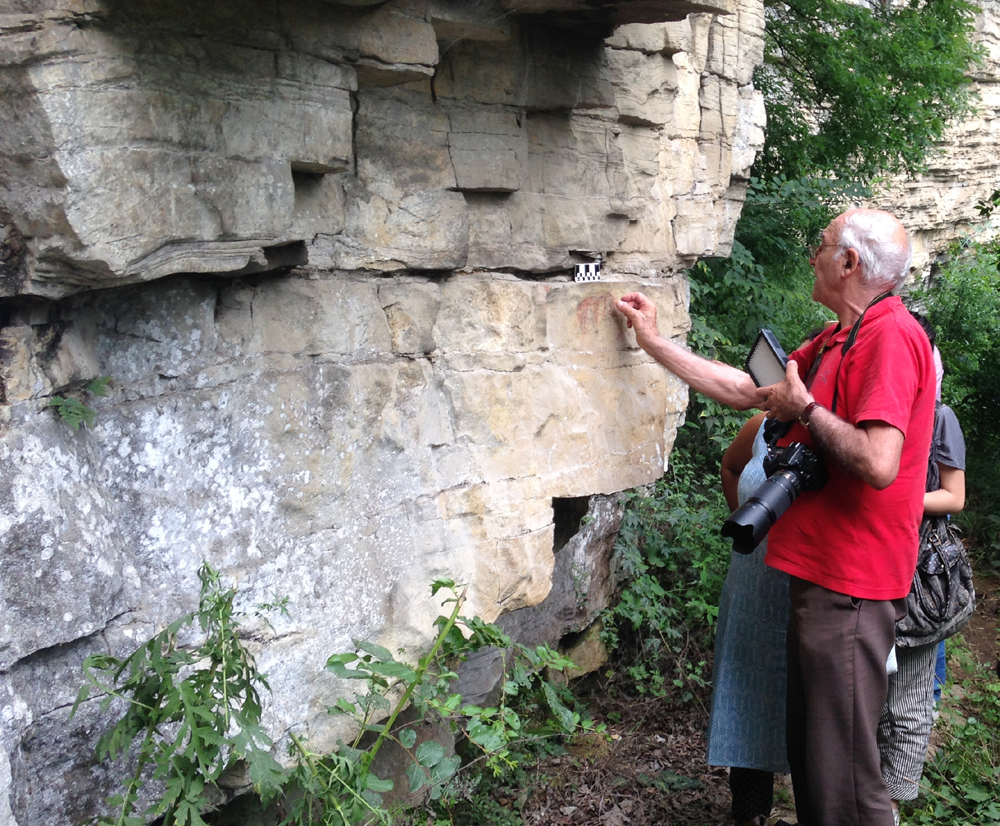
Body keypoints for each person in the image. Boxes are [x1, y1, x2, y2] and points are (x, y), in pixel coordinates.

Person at [615, 208, 936, 826]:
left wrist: (809, 409)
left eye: (821, 246)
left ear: (848, 263)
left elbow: (878, 460)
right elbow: (750, 391)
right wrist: (654, 342)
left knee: (844, 776)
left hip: (851, 585)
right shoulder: (838, 336)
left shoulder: (890, 336)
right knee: (817, 761)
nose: (812, 256)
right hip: (822, 579)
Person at [878, 330, 966, 825]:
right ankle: (864, 791)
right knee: (865, 693)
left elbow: (954, 497)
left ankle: (889, 803)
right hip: (868, 562)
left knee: (910, 697)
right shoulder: (876, 410)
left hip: (920, 573)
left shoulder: (939, 417)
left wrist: (894, 499)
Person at [708, 410, 790, 826]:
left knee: (806, 700)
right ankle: (750, 812)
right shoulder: (762, 424)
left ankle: (816, 804)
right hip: (753, 585)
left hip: (807, 591)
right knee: (747, 691)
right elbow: (730, 465)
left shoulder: (839, 431)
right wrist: (748, 523)